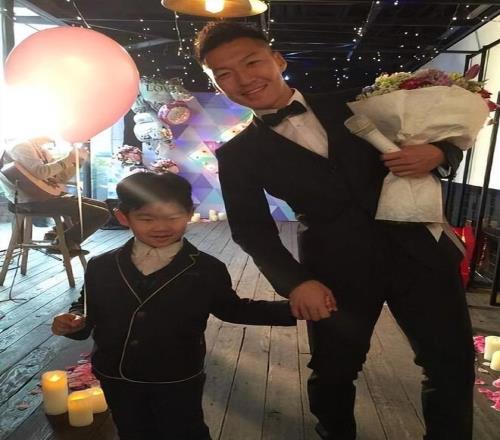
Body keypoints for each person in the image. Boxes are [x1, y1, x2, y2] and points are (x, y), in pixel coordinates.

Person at [194, 22, 474, 440]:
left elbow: (440, 138)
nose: (244, 79)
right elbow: (251, 230)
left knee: (451, 365)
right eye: (225, 74)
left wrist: (440, 152)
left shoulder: (361, 102)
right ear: (217, 85)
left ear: (277, 60)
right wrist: (295, 282)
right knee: (333, 372)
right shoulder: (237, 154)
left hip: (421, 253)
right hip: (334, 270)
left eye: (251, 62)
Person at [51, 171, 296, 440]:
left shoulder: (207, 268)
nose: (161, 227)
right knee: (131, 431)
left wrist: (291, 309)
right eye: (147, 219)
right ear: (123, 217)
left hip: (176, 375)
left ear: (190, 213)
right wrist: (74, 320)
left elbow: (233, 308)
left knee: (186, 431)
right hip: (115, 373)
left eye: (173, 217)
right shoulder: (101, 266)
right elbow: (87, 307)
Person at [0, 136, 109, 253]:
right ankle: (63, 243)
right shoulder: (21, 146)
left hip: (44, 196)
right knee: (100, 214)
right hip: (30, 200)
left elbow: (60, 177)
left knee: (102, 207)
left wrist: (78, 161)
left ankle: (54, 234)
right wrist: (69, 159)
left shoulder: (41, 150)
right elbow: (41, 172)